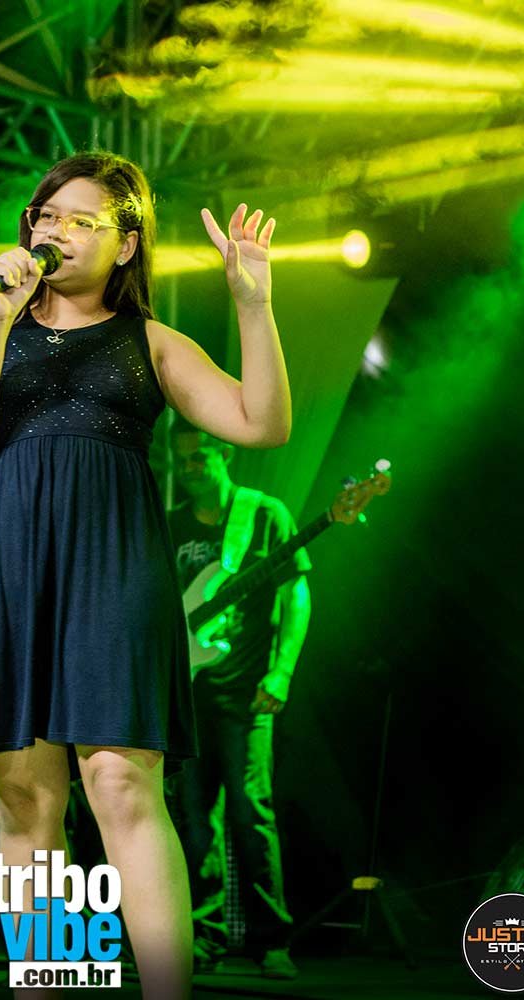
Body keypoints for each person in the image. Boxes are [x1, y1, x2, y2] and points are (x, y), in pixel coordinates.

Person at [0, 151, 291, 998]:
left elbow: (261, 424)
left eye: (82, 220)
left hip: (113, 562)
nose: (57, 231)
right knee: (22, 796)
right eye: (46, 216)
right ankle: (49, 985)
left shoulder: (150, 340)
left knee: (120, 781)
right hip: (5, 563)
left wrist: (254, 306)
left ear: (127, 244)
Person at [165, 416, 311, 979]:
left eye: (199, 457)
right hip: (187, 695)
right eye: (181, 460)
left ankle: (272, 940)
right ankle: (203, 937)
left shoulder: (263, 513)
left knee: (251, 814)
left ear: (224, 454)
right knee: (194, 820)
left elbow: (296, 594)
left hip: (247, 695)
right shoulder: (172, 523)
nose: (190, 469)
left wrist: (282, 673)